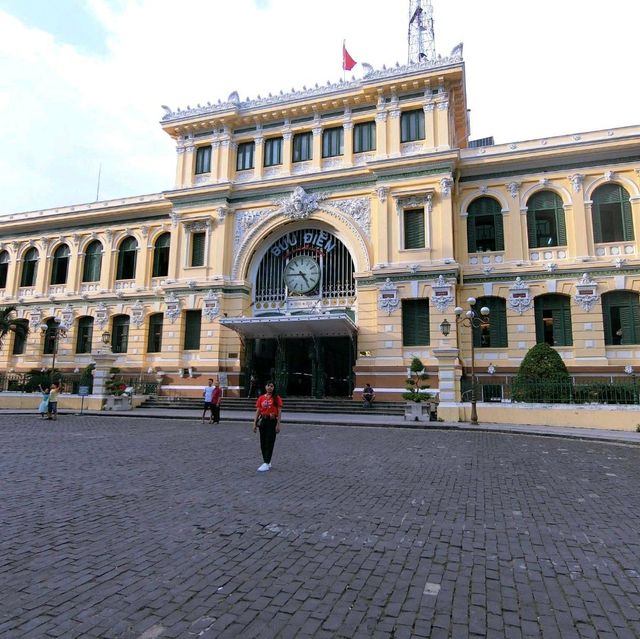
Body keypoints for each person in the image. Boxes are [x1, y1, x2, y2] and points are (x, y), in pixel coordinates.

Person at [253, 381, 283, 472]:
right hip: (263, 421)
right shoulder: (261, 398)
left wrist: (278, 424)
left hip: (272, 421)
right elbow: (258, 411)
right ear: (265, 387)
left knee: (269, 441)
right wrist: (254, 423)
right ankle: (266, 460)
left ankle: (266, 462)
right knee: (262, 441)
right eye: (268, 385)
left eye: (272, 386)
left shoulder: (276, 398)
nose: (270, 387)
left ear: (274, 388)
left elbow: (279, 411)